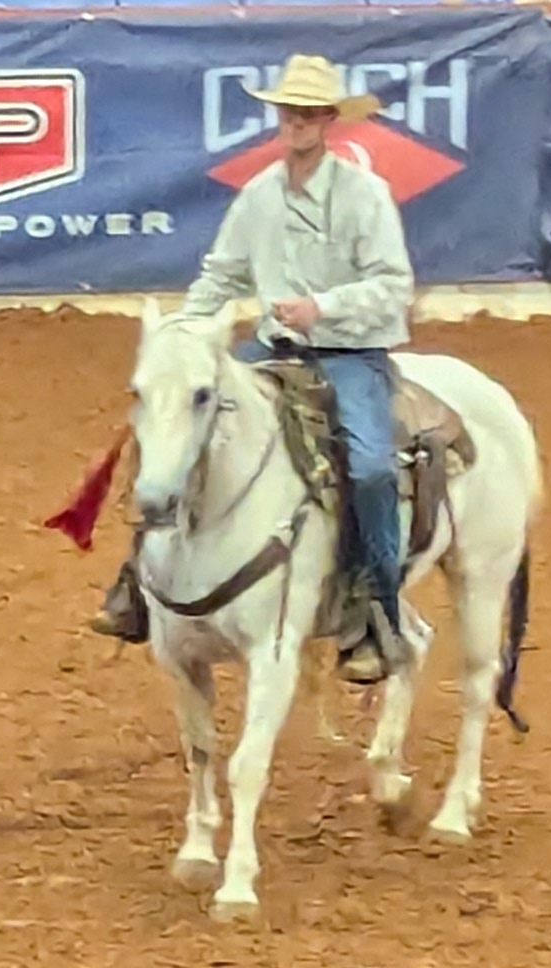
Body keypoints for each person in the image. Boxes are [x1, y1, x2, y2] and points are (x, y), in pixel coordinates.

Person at [94, 53, 420, 680]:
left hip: (351, 355)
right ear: (279, 116)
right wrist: (183, 335)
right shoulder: (258, 197)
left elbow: (392, 284)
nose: (297, 121)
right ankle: (139, 579)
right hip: (273, 350)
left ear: (328, 120)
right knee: (175, 419)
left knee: (372, 468)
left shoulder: (365, 196)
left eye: (309, 112)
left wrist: (322, 307)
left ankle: (378, 609)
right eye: (289, 110)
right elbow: (220, 276)